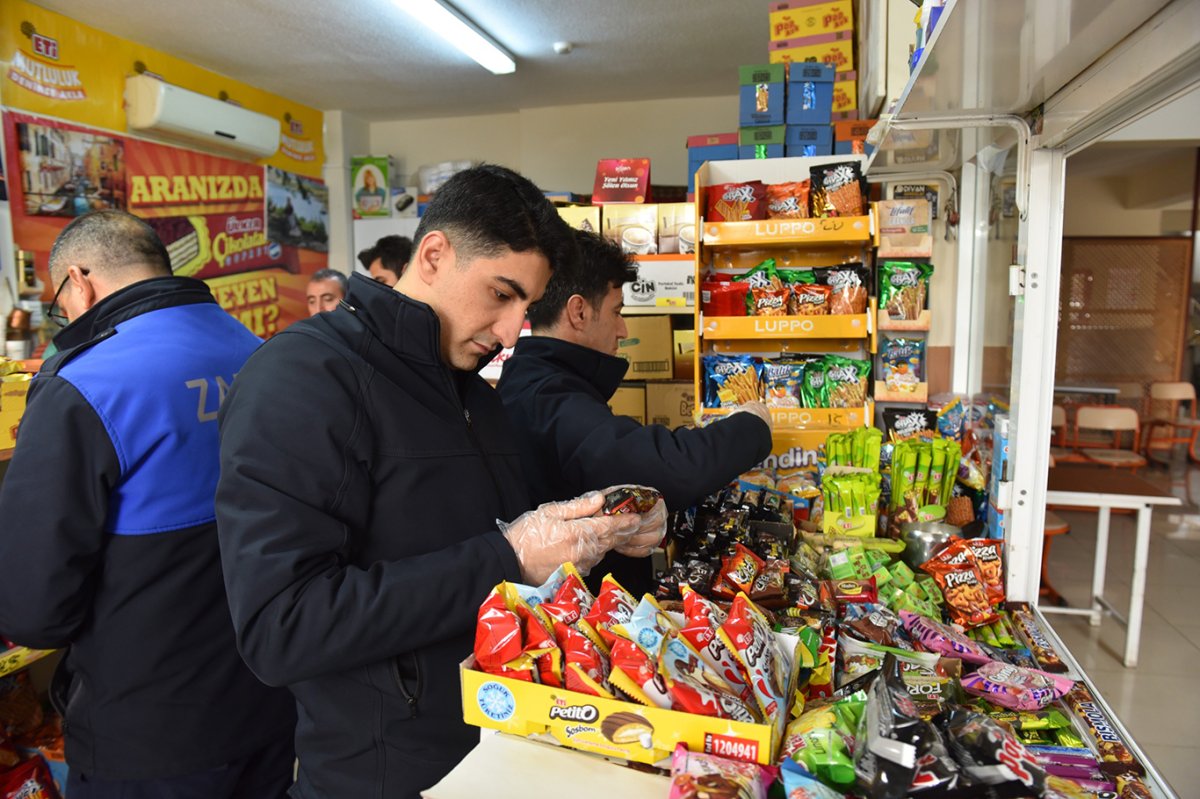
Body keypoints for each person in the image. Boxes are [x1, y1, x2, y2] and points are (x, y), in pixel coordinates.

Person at [214, 165, 660, 798]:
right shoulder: (301, 380)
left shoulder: (475, 394)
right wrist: (508, 556)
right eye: (501, 295)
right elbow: (281, 628)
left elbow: (502, 543)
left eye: (526, 308)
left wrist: (603, 528)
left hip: (495, 753)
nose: (511, 334)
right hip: (381, 774)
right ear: (433, 255)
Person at [0, 209, 296, 797]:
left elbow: (35, 613)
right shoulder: (259, 352)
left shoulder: (84, 384)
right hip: (270, 699)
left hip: (148, 732)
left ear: (79, 281)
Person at [496, 229, 774, 595]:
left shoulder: (540, 380)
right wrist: (753, 425)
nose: (623, 329)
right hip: (579, 618)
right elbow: (668, 466)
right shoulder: (549, 398)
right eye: (617, 311)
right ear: (579, 311)